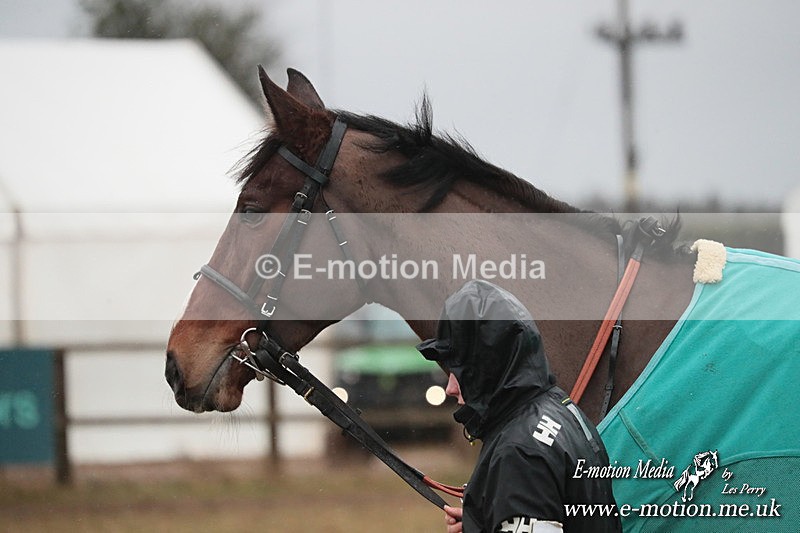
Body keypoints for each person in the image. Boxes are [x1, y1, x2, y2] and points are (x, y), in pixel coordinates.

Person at [416, 280, 621, 533]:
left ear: (485, 367)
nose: (450, 388)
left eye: (458, 369)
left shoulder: (519, 453)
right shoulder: (563, 408)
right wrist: (486, 519)